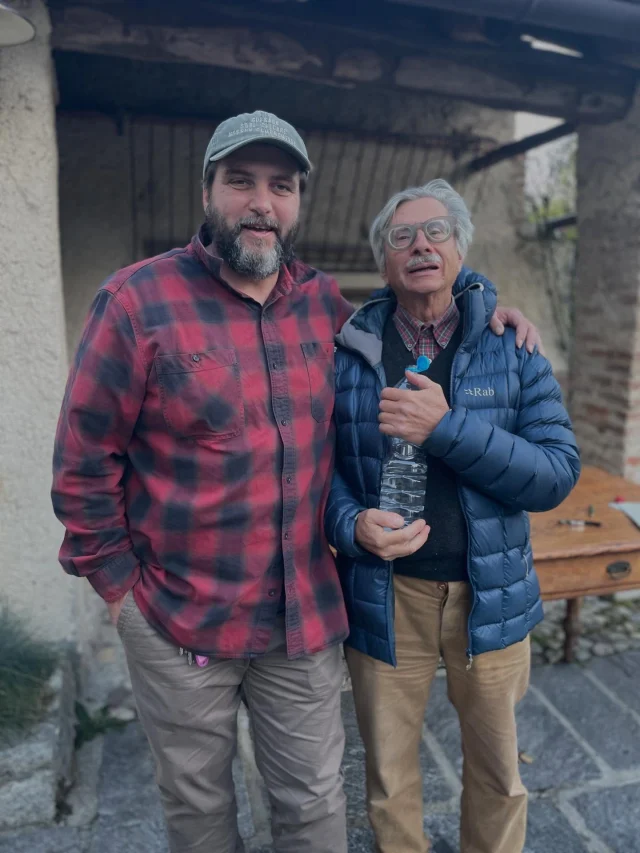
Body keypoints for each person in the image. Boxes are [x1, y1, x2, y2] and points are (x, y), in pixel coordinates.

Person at [52, 111, 543, 853]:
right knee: (198, 811)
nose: (262, 203)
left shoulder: (327, 310)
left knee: (316, 809)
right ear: (208, 191)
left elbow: (425, 298)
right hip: (180, 616)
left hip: (302, 622)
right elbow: (83, 461)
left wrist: (488, 307)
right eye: (241, 181)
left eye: (281, 186)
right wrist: (120, 592)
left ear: (298, 203)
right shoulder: (136, 301)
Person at [325, 179, 580, 853]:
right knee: (386, 776)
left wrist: (447, 427)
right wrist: (350, 523)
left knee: (498, 774)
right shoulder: (346, 352)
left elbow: (556, 473)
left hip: (488, 594)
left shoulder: (510, 345)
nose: (420, 246)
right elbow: (317, 478)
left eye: (436, 230)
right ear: (383, 261)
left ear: (460, 247)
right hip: (385, 594)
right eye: (401, 236)